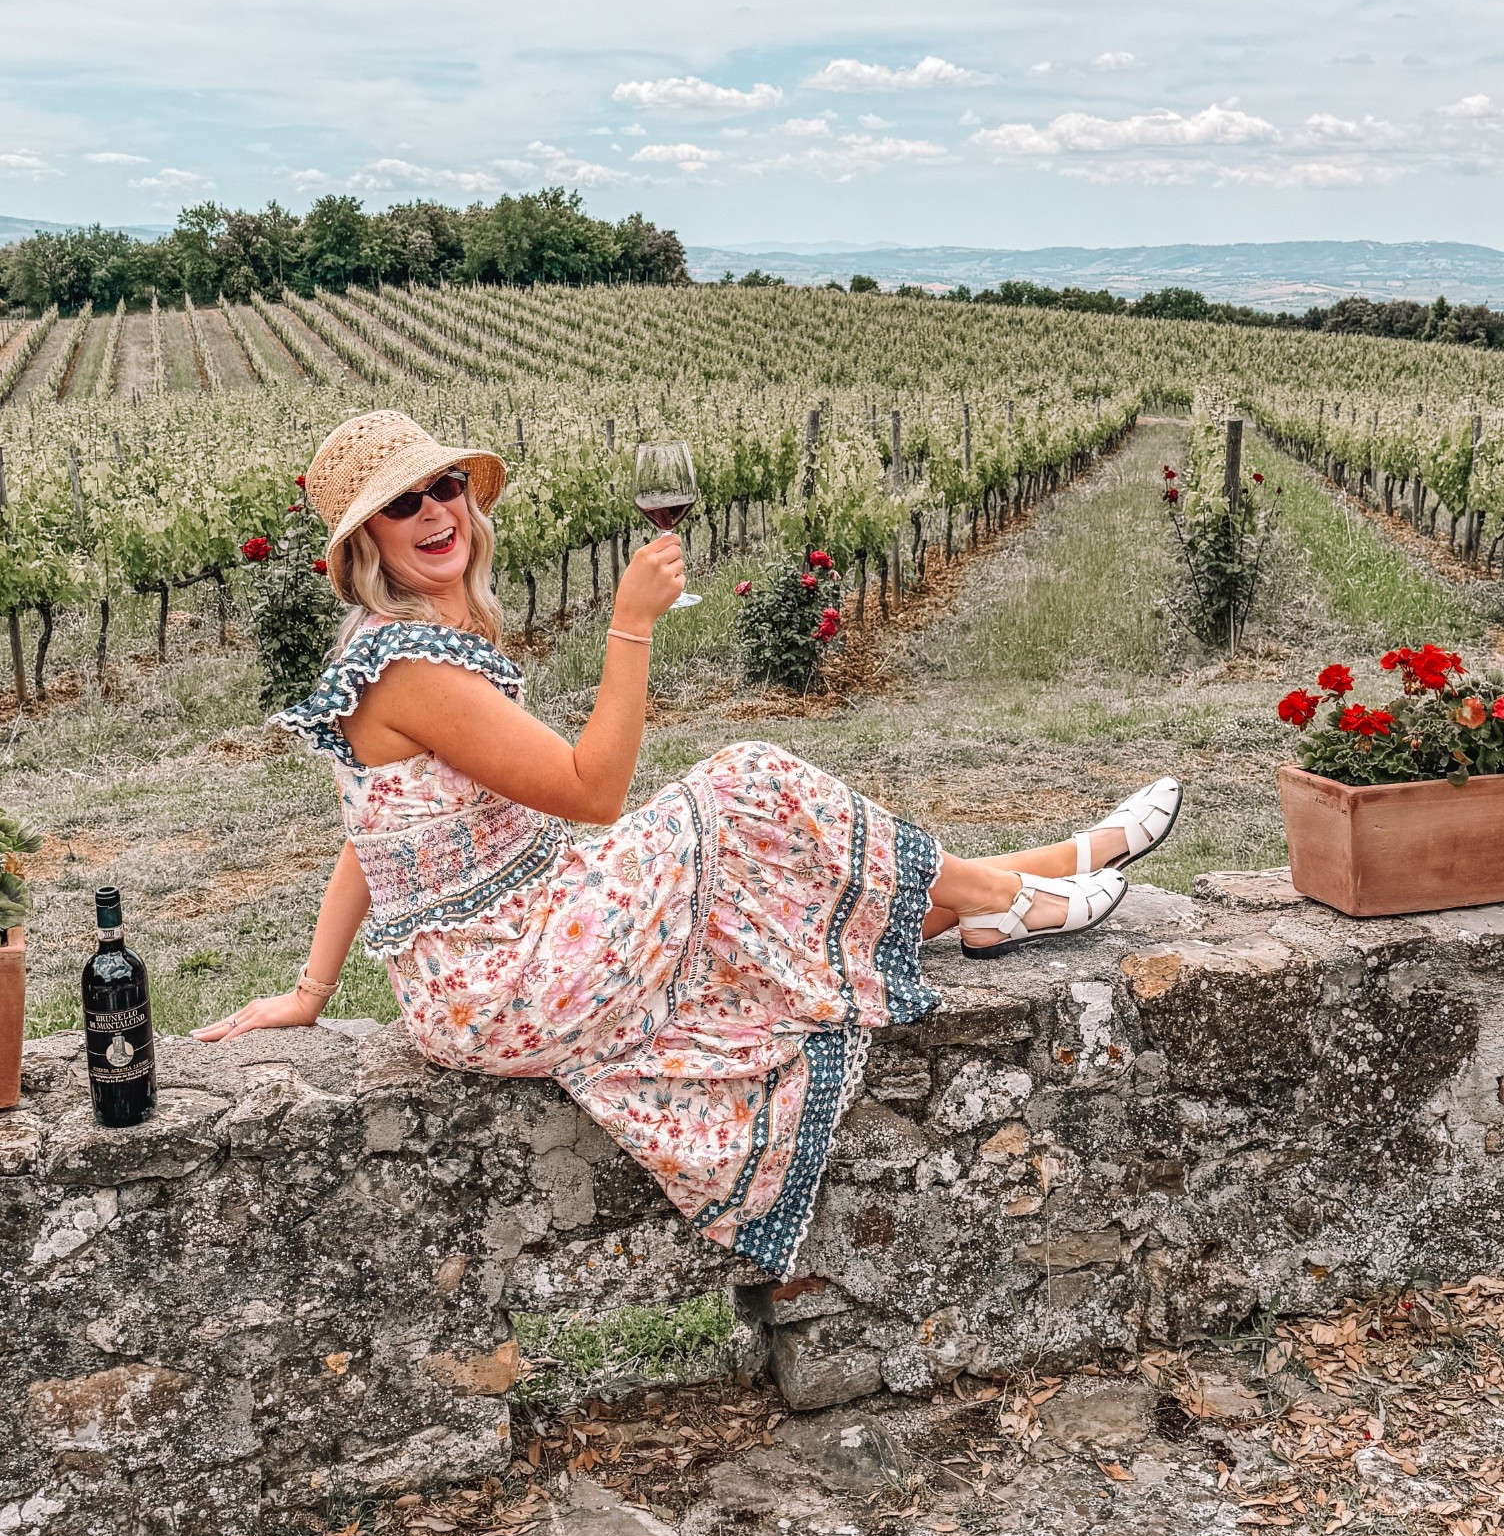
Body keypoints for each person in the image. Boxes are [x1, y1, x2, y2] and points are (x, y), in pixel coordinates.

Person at [196, 411, 1181, 1277]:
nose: (435, 509)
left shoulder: (408, 644)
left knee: (773, 877)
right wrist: (631, 625)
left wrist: (313, 989)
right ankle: (1025, 884)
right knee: (745, 782)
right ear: (365, 538)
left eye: (444, 484)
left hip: (510, 943)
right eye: (403, 502)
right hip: (505, 973)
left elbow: (377, 835)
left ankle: (1019, 883)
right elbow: (593, 791)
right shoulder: (403, 664)